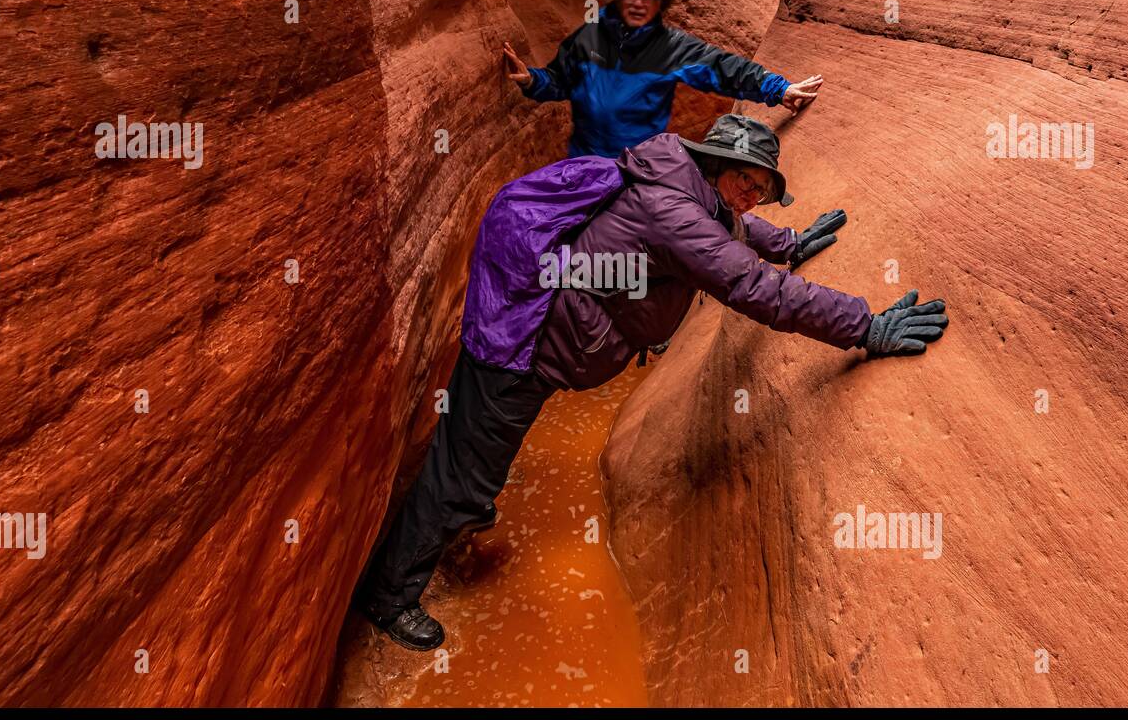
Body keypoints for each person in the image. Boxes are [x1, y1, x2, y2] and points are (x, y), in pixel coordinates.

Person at [355, 114, 949, 650]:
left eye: (762, 191)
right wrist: (865, 326)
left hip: (533, 334)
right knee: (459, 469)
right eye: (747, 180)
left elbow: (726, 229)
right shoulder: (673, 209)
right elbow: (749, 285)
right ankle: (389, 595)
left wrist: (788, 241)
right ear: (716, 162)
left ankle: (467, 502)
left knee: (476, 448)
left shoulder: (681, 180)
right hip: (522, 342)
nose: (751, 197)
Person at [502, 0, 825, 159]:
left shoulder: (670, 47)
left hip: (640, 165)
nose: (639, 3)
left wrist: (777, 89)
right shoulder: (589, 37)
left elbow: (723, 69)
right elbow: (560, 80)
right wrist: (532, 80)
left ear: (658, 5)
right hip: (585, 161)